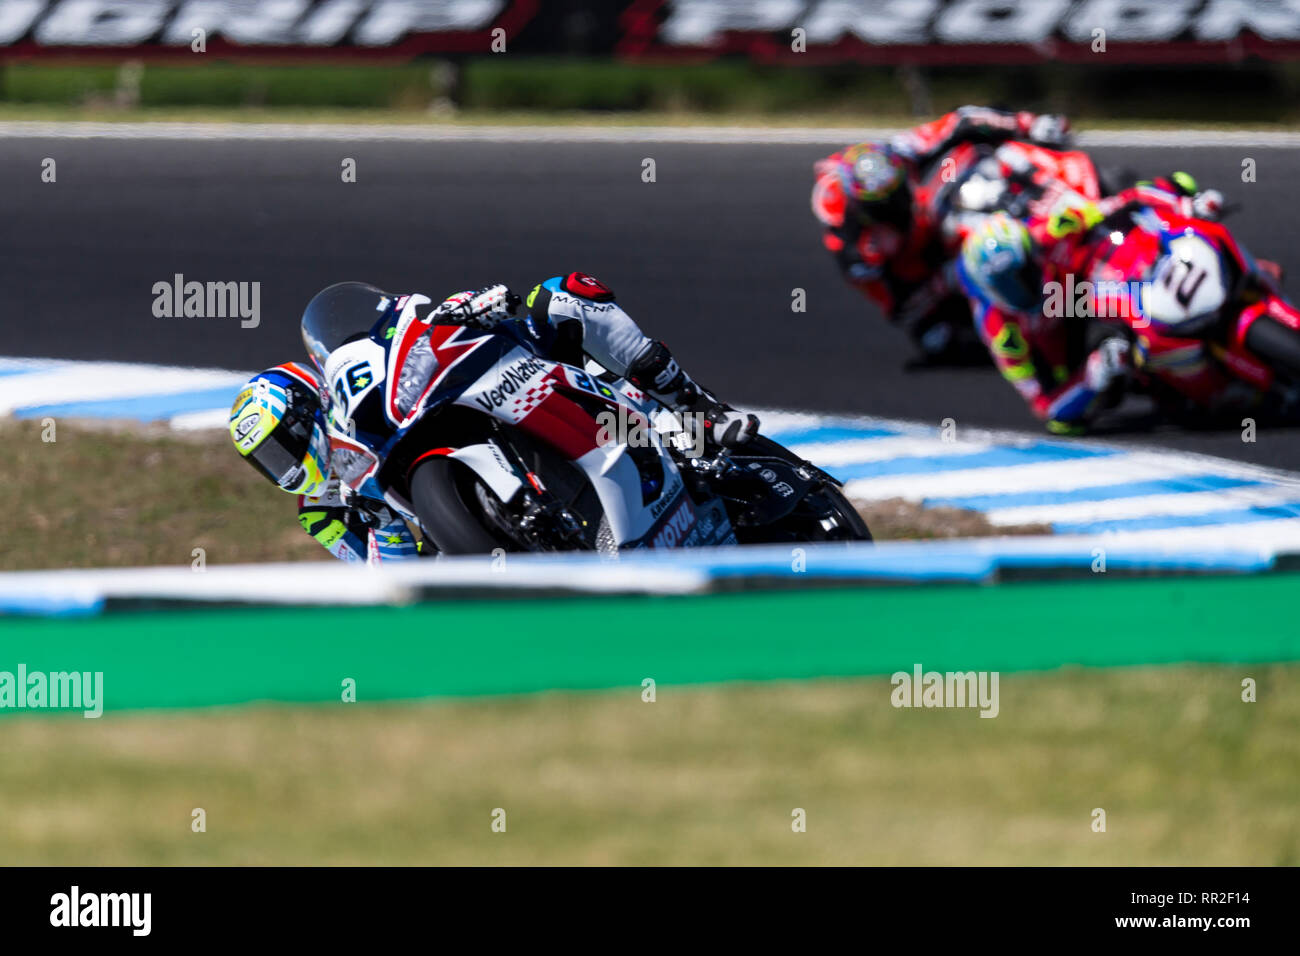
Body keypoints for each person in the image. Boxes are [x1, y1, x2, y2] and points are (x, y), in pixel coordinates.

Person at [230, 273, 758, 561]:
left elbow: (435, 319)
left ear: (310, 410)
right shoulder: (319, 510)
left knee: (562, 296)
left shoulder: (358, 406)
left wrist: (470, 306)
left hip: (507, 377)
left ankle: (693, 408)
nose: (288, 467)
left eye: (285, 445)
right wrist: (381, 528)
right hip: (440, 548)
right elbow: (378, 573)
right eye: (270, 463)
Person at [955, 175, 1229, 434]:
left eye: (1026, 273)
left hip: (1090, 285)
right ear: (989, 290)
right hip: (1069, 345)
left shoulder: (1049, 231)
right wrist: (1092, 377)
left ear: (1032, 252)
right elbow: (1044, 406)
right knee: (1068, 422)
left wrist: (1182, 204)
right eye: (1008, 286)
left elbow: (1123, 201)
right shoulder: (1003, 335)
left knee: (1176, 182)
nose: (1022, 288)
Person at [811, 106, 1071, 358]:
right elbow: (901, 307)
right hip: (927, 272)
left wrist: (1029, 124)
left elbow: (961, 120)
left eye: (900, 190)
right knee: (937, 339)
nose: (901, 200)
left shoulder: (897, 152)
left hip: (935, 208)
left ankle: (1042, 181)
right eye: (890, 203)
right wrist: (946, 280)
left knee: (975, 148)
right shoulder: (858, 251)